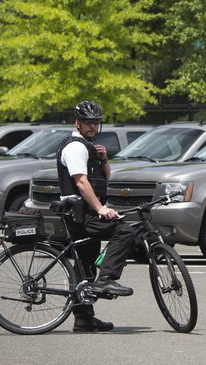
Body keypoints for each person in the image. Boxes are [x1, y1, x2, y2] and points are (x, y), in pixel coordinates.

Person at [56, 100, 136, 333]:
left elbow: (105, 177)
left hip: (83, 212)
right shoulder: (75, 147)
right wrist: (100, 209)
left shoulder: (89, 147)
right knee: (124, 230)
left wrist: (103, 160)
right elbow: (81, 182)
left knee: (85, 267)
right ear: (77, 123)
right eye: (88, 122)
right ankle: (107, 278)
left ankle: (83, 319)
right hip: (82, 212)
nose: (92, 126)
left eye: (96, 122)